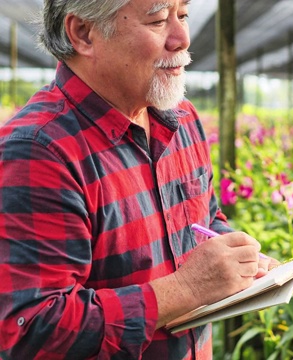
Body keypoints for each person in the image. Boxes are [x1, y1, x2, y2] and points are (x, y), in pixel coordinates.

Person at [0, 0, 277, 358]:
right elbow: (34, 328)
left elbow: (204, 221)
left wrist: (237, 258)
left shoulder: (182, 119)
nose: (181, 39)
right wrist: (186, 287)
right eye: (159, 20)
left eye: (183, 16)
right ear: (83, 33)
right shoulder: (38, 151)